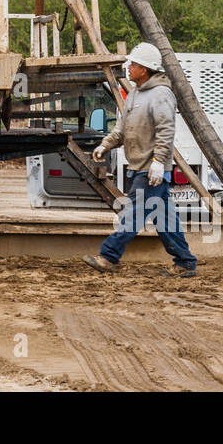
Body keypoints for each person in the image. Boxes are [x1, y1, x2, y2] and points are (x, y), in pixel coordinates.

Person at [83, 41, 198, 277]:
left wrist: (159, 161)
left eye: (133, 64)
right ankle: (185, 262)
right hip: (140, 167)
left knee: (133, 214)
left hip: (151, 169)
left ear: (144, 69)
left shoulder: (161, 94)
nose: (129, 67)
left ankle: (109, 256)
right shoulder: (135, 94)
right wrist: (105, 145)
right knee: (165, 219)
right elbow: (123, 129)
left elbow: (166, 130)